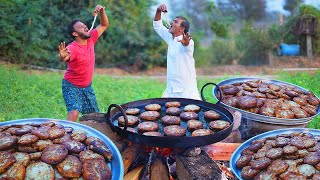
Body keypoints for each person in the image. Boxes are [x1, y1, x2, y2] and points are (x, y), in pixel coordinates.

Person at [58, 5, 109, 122]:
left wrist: (102, 11)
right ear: (75, 34)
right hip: (71, 86)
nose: (85, 26)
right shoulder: (73, 47)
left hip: (87, 87)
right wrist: (61, 56)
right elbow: (65, 56)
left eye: (84, 25)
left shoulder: (91, 39)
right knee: (74, 112)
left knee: (95, 116)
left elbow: (104, 25)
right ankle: (66, 136)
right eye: (81, 27)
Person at [153, 4, 201, 100]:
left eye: (175, 22)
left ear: (182, 28)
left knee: (190, 112)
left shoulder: (189, 41)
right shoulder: (170, 38)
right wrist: (158, 11)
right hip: (171, 89)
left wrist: (185, 43)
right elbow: (157, 26)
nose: (172, 22)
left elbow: (187, 46)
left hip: (186, 91)